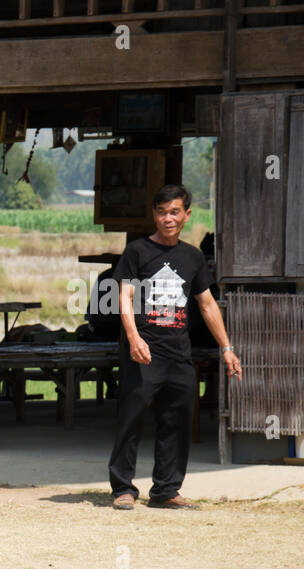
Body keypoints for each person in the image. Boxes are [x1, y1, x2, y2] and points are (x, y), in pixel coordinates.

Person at [109, 184, 242, 510]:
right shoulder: (136, 252)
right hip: (144, 351)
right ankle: (123, 488)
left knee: (177, 420)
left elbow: (208, 304)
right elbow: (123, 299)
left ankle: (166, 490)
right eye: (161, 212)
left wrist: (226, 347)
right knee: (131, 416)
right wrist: (134, 337)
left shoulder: (192, 257)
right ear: (154, 215)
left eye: (174, 212)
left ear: (186, 215)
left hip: (179, 353)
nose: (167, 219)